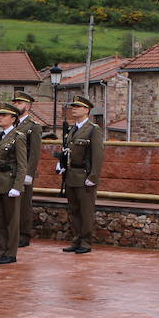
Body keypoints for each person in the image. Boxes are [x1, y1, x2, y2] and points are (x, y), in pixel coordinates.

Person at [59, 95, 104, 254]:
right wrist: (62, 164)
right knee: (74, 210)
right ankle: (76, 239)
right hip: (71, 175)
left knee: (86, 211)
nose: (74, 109)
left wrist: (93, 177)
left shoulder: (93, 129)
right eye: (73, 106)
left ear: (87, 110)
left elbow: (97, 156)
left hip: (84, 176)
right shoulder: (73, 129)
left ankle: (86, 242)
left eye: (78, 107)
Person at [0, 102, 27, 264]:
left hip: (9, 183)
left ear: (13, 118)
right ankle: (1, 251)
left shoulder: (18, 137)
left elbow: (22, 164)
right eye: (0, 115)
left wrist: (17, 186)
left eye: (4, 115)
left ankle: (11, 253)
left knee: (11, 221)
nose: (0, 118)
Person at [11, 92, 43, 248]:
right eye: (15, 102)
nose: (16, 105)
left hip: (24, 172)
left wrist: (29, 173)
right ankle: (13, 233)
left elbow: (35, 152)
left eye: (20, 103)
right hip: (11, 171)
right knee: (12, 205)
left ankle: (24, 234)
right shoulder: (13, 124)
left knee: (23, 205)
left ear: (28, 106)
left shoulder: (33, 126)